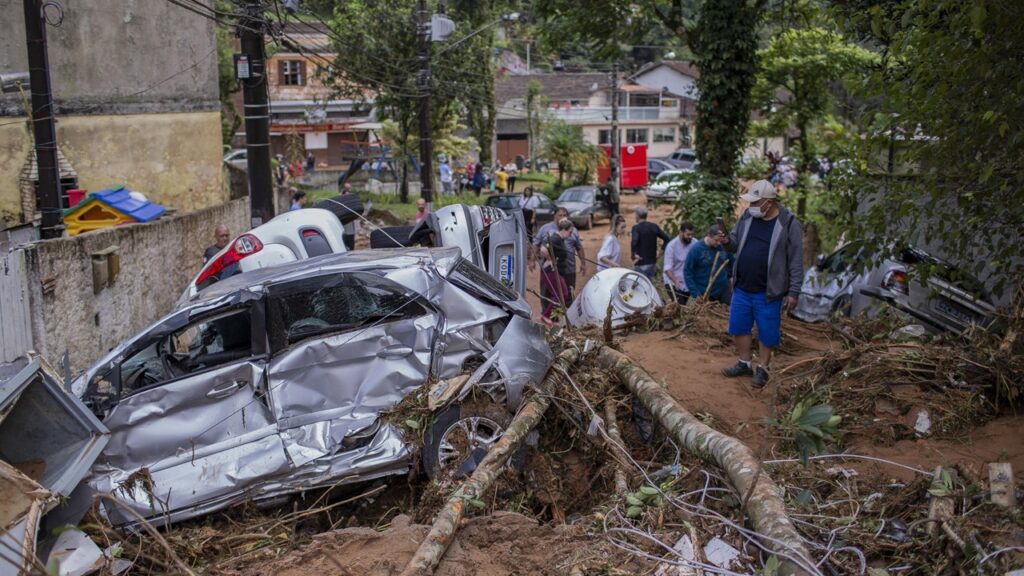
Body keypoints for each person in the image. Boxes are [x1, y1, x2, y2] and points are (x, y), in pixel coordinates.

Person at [719, 179, 803, 388]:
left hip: (768, 291)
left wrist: (794, 291)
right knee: (739, 327)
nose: (752, 207)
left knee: (767, 332)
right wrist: (727, 242)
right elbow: (735, 244)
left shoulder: (788, 223)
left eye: (756, 203)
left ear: (769, 202)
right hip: (742, 286)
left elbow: (795, 260)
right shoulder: (748, 216)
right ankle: (744, 363)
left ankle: (763, 369)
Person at [530, 207, 586, 301]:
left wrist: (583, 263)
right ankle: (547, 314)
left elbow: (579, 247)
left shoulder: (573, 230)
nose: (562, 217)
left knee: (568, 295)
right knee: (548, 295)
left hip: (568, 269)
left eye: (565, 215)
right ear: (554, 216)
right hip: (550, 270)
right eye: (560, 215)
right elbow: (536, 245)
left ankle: (567, 315)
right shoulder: (545, 228)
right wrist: (532, 260)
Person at [538, 218, 575, 327]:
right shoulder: (555, 238)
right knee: (559, 295)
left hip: (558, 272)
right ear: (564, 230)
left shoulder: (560, 239)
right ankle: (546, 316)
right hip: (552, 272)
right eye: (570, 232)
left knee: (564, 294)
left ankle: (555, 318)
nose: (571, 234)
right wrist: (550, 260)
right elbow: (543, 250)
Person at [684, 224, 734, 303]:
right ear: (709, 235)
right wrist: (695, 293)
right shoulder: (696, 250)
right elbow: (687, 272)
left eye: (720, 241)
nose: (718, 243)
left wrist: (730, 277)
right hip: (705, 292)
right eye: (716, 240)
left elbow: (733, 262)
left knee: (731, 310)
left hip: (723, 289)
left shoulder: (723, 247)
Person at [630, 206, 670, 279]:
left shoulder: (636, 228)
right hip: (652, 263)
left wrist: (633, 255)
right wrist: (661, 252)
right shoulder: (654, 226)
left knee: (639, 285)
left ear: (637, 216)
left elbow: (634, 242)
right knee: (649, 283)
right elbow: (666, 238)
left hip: (641, 262)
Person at [662, 222, 695, 303]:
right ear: (680, 232)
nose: (690, 237)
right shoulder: (671, 246)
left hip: (687, 281)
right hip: (672, 280)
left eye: (692, 235)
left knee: (683, 305)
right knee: (679, 304)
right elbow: (667, 268)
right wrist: (675, 280)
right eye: (688, 234)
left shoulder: (695, 244)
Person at [340, 182, 358, 250]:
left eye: (349, 188)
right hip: (344, 230)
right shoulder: (339, 201)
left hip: (350, 230)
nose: (349, 190)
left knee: (350, 247)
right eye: (347, 188)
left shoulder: (351, 199)